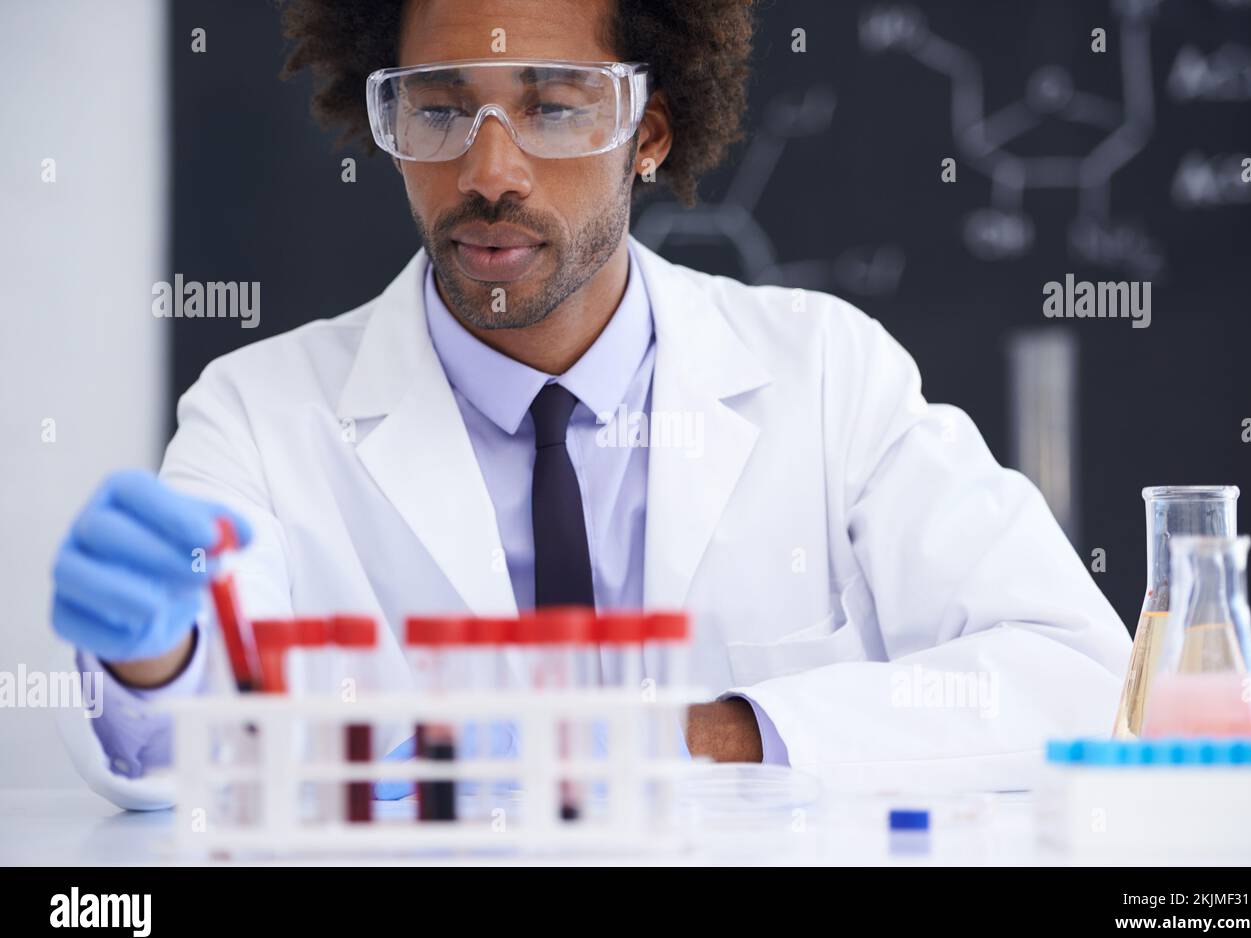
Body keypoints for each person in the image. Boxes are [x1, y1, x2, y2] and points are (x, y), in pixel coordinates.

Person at [51, 0, 1131, 808]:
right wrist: (160, 659)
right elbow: (193, 752)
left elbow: (1073, 676)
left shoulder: (825, 376)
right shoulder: (260, 412)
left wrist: (700, 737)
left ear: (648, 131)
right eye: (437, 109)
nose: (490, 170)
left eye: (553, 107)